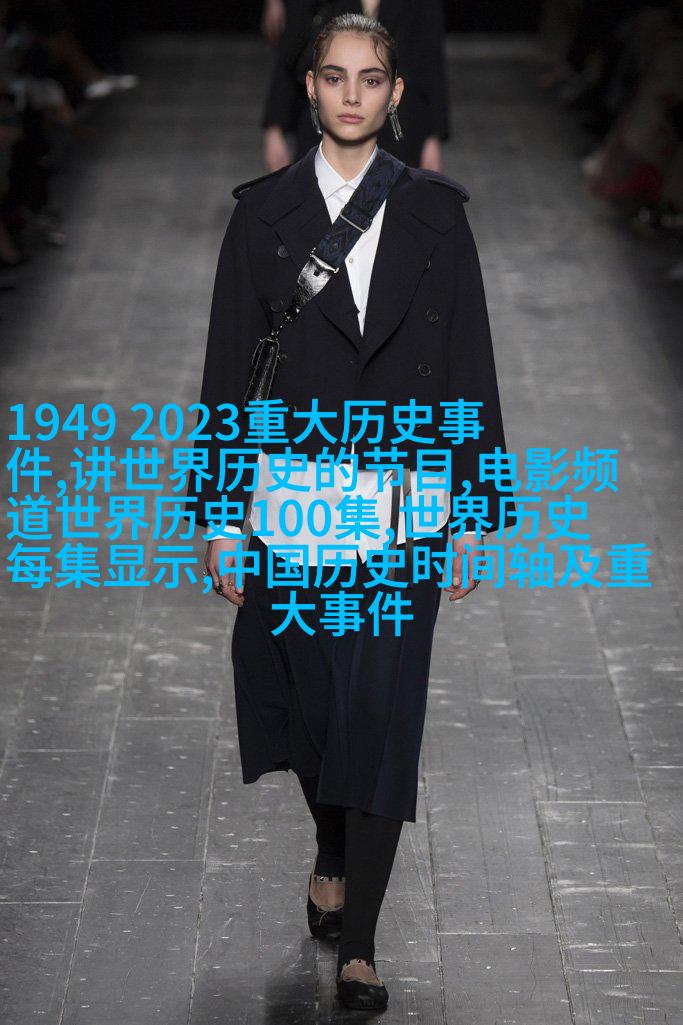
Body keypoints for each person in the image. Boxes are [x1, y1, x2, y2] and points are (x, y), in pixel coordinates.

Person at [187, 12, 516, 1012]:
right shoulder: (264, 215)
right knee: (299, 694)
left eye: (369, 79)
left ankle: (361, 943)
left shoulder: (435, 214)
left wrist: (474, 508)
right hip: (295, 496)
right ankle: (332, 843)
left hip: (405, 498)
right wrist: (219, 511)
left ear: (395, 94)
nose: (350, 95)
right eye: (333, 77)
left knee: (381, 708)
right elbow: (229, 368)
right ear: (309, 86)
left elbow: (465, 358)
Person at [260, 0, 450, 172]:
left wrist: (433, 136)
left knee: (395, 195)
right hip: (324, 122)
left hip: (401, 121)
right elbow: (291, 51)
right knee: (319, 193)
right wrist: (274, 127)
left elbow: (431, 58)